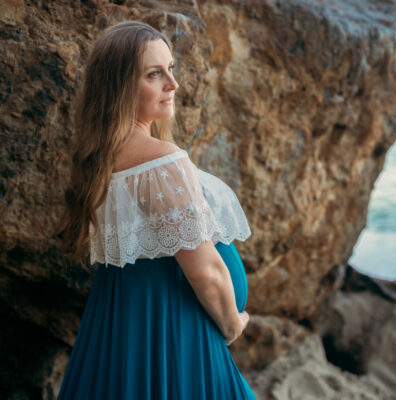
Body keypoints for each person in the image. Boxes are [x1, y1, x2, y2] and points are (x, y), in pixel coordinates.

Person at [56, 20, 255, 399]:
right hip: (170, 330)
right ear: (120, 87)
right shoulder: (158, 161)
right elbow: (207, 271)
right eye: (154, 74)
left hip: (120, 325)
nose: (173, 84)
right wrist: (233, 324)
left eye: (171, 69)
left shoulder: (101, 157)